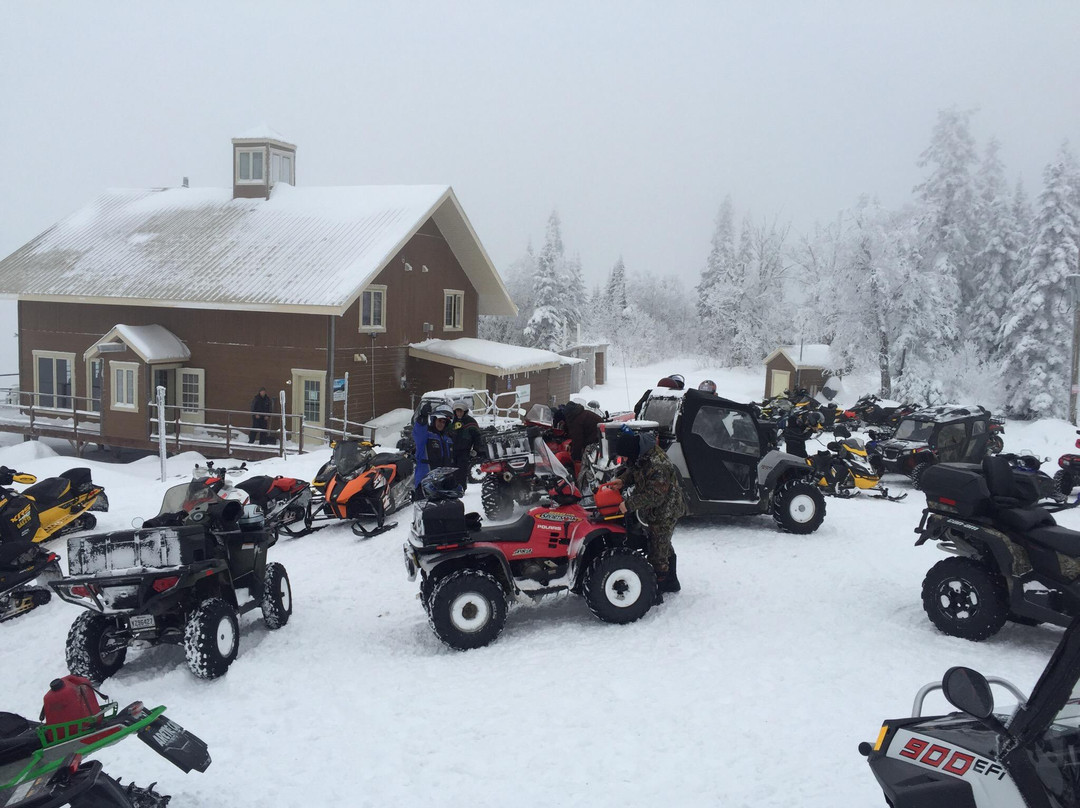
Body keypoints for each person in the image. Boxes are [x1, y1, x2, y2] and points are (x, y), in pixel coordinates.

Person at [609, 427, 687, 601]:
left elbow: (656, 496)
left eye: (627, 456)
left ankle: (657, 590)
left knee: (657, 550)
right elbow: (636, 469)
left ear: (634, 451)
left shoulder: (658, 464)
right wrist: (623, 480)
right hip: (654, 508)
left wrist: (628, 504)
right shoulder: (642, 454)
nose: (626, 460)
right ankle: (672, 582)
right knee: (661, 542)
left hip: (666, 508)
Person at [413, 405, 456, 495]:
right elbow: (419, 430)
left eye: (444, 422)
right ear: (433, 420)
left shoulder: (448, 440)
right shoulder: (425, 436)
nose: (441, 424)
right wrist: (423, 417)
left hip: (443, 484)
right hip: (425, 482)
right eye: (439, 420)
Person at [561, 399, 603, 474]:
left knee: (586, 460)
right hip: (600, 436)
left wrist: (574, 458)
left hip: (596, 439)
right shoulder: (582, 413)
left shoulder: (577, 421)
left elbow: (578, 440)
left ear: (568, 414)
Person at [450, 400, 484, 487]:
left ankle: (461, 488)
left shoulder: (471, 422)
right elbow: (447, 434)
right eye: (457, 411)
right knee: (451, 471)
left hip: (464, 451)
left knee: (462, 471)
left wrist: (476, 450)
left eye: (460, 411)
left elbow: (477, 437)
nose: (459, 413)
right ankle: (452, 487)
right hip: (452, 451)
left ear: (465, 411)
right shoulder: (451, 422)